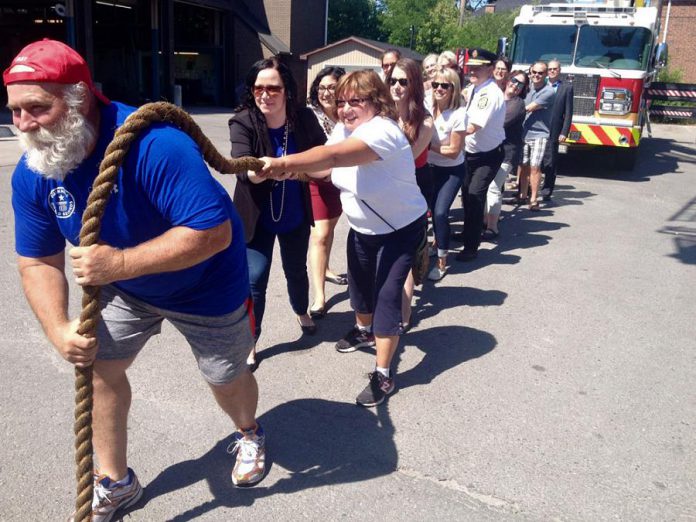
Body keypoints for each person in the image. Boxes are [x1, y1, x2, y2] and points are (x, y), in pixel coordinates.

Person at [4, 39, 266, 520]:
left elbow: (212, 232)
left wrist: (118, 265)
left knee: (226, 376)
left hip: (206, 284)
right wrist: (59, 329)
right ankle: (117, 481)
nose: (23, 125)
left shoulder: (154, 144)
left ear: (80, 97)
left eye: (36, 108)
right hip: (128, 289)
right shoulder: (35, 172)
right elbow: (38, 261)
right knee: (100, 369)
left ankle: (248, 431)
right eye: (15, 111)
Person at [259, 70, 427, 408]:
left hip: (400, 231)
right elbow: (326, 167)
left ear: (376, 102)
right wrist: (294, 172)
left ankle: (383, 373)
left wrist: (282, 161)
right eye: (342, 102)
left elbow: (335, 157)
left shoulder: (382, 131)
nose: (347, 108)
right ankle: (364, 332)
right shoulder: (343, 129)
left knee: (387, 297)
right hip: (365, 229)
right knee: (360, 290)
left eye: (356, 101)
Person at [229, 57, 326, 369]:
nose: (265, 94)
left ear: (287, 91)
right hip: (255, 215)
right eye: (258, 88)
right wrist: (267, 171)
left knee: (295, 270)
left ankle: (301, 310)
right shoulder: (243, 120)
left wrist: (299, 170)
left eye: (273, 88)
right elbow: (242, 166)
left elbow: (323, 158)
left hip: (294, 211)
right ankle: (251, 340)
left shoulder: (304, 119)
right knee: (254, 279)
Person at [386, 58, 434, 329]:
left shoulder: (424, 122)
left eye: (403, 81)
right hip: (384, 189)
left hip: (413, 187)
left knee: (404, 253)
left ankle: (404, 315)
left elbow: (405, 160)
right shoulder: (382, 114)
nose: (396, 86)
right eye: (393, 80)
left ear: (414, 84)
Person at [454, 48, 506, 262]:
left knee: (475, 196)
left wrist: (447, 135)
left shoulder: (489, 93)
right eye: (471, 67)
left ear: (491, 70)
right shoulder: (476, 88)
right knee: (467, 195)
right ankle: (468, 234)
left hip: (488, 155)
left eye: (478, 67)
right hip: (472, 153)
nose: (472, 71)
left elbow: (473, 126)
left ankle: (471, 247)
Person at [306, 66, 348, 318]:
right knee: (320, 235)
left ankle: (327, 268)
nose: (325, 92)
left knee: (329, 230)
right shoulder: (309, 116)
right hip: (316, 183)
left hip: (341, 183)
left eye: (332, 87)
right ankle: (319, 296)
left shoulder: (348, 115)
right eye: (321, 87)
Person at [426, 66, 467, 280]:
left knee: (441, 213)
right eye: (435, 84)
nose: (439, 89)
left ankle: (442, 261)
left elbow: (453, 151)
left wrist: (425, 146)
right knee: (430, 213)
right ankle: (436, 243)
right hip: (429, 169)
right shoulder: (427, 106)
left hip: (451, 171)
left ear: (454, 89)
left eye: (445, 85)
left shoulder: (459, 114)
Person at [483, 70, 528, 238]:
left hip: (507, 153)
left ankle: (492, 227)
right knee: (483, 186)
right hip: (489, 149)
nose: (515, 85)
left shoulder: (518, 104)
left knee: (494, 187)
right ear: (509, 79)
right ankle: (484, 220)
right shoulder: (496, 96)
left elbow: (500, 123)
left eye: (520, 84)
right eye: (514, 80)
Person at [518, 61, 555, 211]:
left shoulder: (549, 92)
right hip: (524, 132)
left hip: (539, 134)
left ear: (546, 75)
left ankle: (533, 198)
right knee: (523, 165)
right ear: (530, 72)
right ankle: (522, 195)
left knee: (535, 166)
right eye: (534, 72)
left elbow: (528, 108)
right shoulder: (527, 88)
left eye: (540, 73)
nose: (536, 75)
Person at [541, 59, 573, 201]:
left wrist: (564, 132)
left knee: (550, 161)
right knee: (535, 161)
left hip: (554, 130)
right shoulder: (541, 84)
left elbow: (568, 112)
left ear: (559, 70)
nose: (552, 71)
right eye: (550, 69)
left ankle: (547, 190)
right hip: (538, 127)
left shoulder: (566, 87)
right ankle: (530, 188)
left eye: (555, 69)